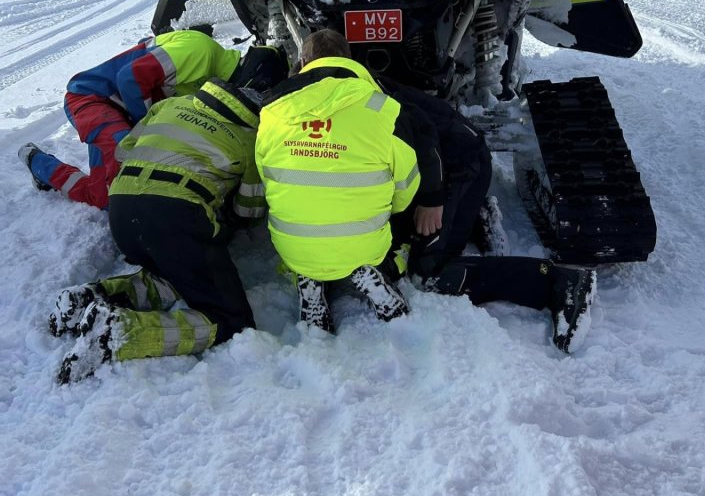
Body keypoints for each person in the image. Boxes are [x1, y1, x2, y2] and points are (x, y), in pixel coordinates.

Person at [52, 77, 266, 383]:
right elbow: (249, 211)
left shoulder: (171, 105)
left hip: (122, 209)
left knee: (176, 275)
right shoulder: (251, 136)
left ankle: (91, 297)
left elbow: (124, 151)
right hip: (177, 216)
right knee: (231, 321)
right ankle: (119, 332)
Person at [377, 75, 596, 353]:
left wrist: (433, 201)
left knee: (429, 271)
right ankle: (471, 217)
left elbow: (425, 139)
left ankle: (559, 282)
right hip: (440, 165)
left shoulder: (366, 99)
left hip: (459, 165)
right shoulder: (350, 87)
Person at [254, 29, 424, 333]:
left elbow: (267, 177)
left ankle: (309, 277)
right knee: (396, 224)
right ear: (348, 59)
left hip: (293, 245)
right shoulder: (382, 108)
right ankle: (374, 269)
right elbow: (406, 187)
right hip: (364, 242)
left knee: (307, 219)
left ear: (303, 62)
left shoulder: (272, 111)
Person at [17, 29, 286, 210]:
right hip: (93, 99)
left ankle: (42, 167)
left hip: (117, 110)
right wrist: (147, 133)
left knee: (107, 193)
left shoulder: (212, 79)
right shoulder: (201, 50)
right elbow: (130, 79)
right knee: (121, 184)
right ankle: (36, 161)